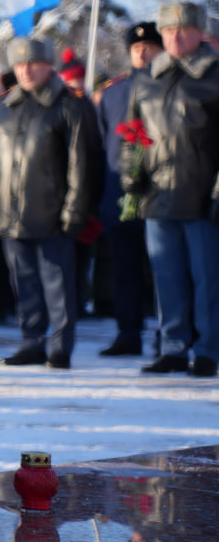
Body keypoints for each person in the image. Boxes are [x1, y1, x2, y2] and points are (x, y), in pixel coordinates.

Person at [0, 38, 93, 370]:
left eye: (33, 64)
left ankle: (60, 345)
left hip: (52, 213)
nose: (26, 71)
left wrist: (74, 210)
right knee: (23, 280)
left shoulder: (69, 105)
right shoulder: (2, 107)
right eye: (20, 65)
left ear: (48, 66)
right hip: (10, 213)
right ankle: (31, 341)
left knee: (57, 283)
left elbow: (82, 164)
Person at [123, 2, 219, 378]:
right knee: (167, 276)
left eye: (183, 30)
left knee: (207, 278)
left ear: (200, 32)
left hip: (202, 196)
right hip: (157, 196)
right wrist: (132, 177)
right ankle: (173, 346)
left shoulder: (214, 76)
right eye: (168, 31)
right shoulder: (146, 78)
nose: (175, 37)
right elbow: (132, 134)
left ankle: (209, 349)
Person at [95, 22, 162, 357]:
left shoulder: (168, 84)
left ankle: (170, 333)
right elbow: (101, 144)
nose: (142, 52)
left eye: (150, 46)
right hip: (119, 195)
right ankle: (128, 332)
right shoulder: (113, 91)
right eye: (137, 48)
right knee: (125, 269)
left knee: (165, 270)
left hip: (160, 193)